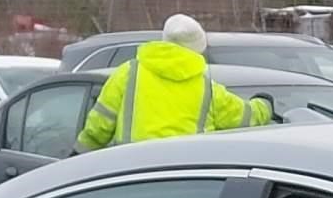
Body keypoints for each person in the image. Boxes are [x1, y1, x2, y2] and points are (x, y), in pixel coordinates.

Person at [76, 15, 271, 150]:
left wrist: (76, 158)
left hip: (131, 178)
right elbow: (245, 117)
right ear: (197, 49)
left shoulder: (129, 73)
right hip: (183, 180)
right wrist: (264, 104)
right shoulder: (206, 89)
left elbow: (99, 126)